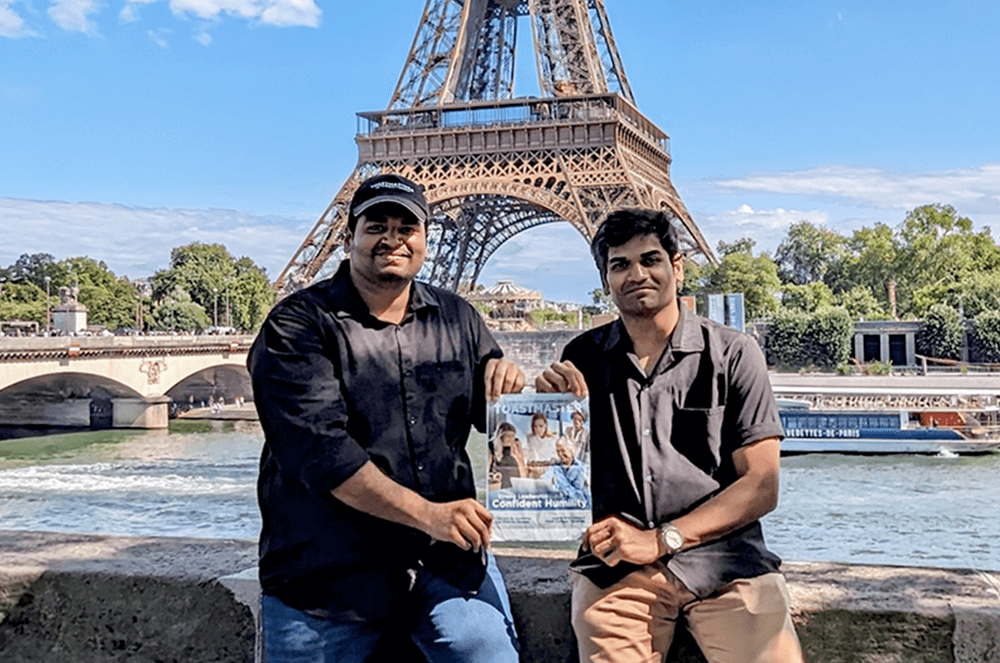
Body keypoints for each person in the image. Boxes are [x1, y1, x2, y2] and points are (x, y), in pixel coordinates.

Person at [248, 173, 526, 663]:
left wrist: (534, 389)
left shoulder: (458, 318)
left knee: (486, 651)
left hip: (445, 565)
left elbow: (500, 419)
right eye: (377, 225)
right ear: (348, 233)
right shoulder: (296, 325)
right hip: (329, 577)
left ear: (424, 238)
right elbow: (321, 453)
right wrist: (430, 516)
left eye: (407, 227)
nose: (392, 239)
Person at [537, 208, 804, 663]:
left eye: (650, 259)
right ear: (606, 281)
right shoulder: (581, 357)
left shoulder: (734, 354)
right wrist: (545, 412)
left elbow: (762, 485)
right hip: (618, 569)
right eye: (620, 265)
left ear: (677, 268)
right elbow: (557, 479)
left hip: (726, 562)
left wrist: (663, 540)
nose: (637, 274)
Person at [541, 437, 588, 503]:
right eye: (558, 451)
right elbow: (544, 482)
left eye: (563, 450)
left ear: (571, 450)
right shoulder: (554, 467)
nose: (560, 454)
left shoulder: (582, 468)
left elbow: (579, 496)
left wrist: (558, 481)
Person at [491, 422, 527, 489]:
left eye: (513, 436)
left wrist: (518, 456)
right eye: (508, 436)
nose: (511, 439)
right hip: (499, 487)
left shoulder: (515, 447)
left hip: (515, 486)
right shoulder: (492, 448)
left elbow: (523, 475)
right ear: (501, 436)